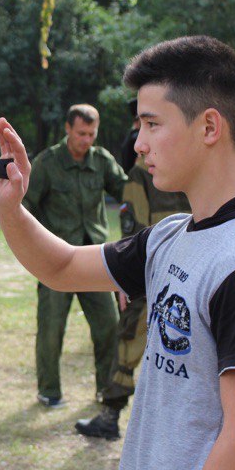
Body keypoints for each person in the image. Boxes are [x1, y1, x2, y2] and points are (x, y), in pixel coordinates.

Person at [0, 35, 235, 470]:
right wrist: (13, 208)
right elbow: (62, 267)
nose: (138, 143)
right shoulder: (171, 236)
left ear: (208, 126)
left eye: (152, 124)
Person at [76, 148, 189, 439]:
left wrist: (126, 276)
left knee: (128, 342)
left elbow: (133, 228)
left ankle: (110, 415)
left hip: (153, 273)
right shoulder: (193, 163)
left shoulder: (142, 171)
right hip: (191, 269)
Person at [22, 103, 127, 407]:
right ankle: (49, 391)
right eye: (81, 133)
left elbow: (127, 192)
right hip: (56, 259)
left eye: (91, 134)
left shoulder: (101, 160)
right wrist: (35, 248)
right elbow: (25, 205)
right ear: (68, 129)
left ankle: (107, 389)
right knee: (51, 327)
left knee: (109, 325)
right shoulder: (48, 163)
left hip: (94, 258)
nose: (86, 140)